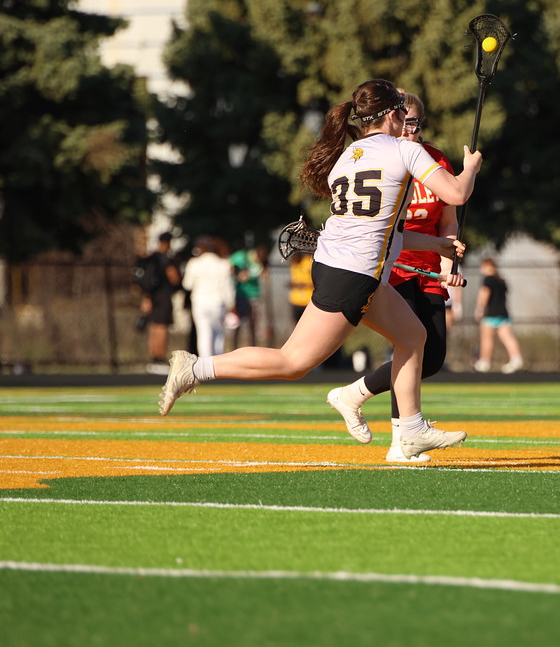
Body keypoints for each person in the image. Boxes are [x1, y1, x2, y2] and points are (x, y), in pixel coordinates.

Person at [158, 79, 483, 461]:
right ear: (393, 114)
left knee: (413, 336)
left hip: (343, 267)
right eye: (402, 113)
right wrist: (470, 169)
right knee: (293, 362)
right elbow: (457, 193)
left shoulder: (348, 157)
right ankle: (196, 368)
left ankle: (410, 432)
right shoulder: (404, 150)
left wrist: (433, 244)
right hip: (354, 275)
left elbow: (382, 229)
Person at [323, 90, 467, 463]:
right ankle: (401, 442)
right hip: (392, 266)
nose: (408, 130)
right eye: (404, 121)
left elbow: (448, 220)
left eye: (414, 122)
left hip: (428, 267)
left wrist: (448, 266)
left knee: (431, 358)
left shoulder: (434, 159)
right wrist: (472, 172)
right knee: (408, 344)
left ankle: (354, 393)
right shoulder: (389, 156)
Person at [181, 236, 235, 357]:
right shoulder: (223, 264)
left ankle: (205, 362)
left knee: (203, 333)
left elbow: (187, 284)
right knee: (218, 332)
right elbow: (228, 286)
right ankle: (217, 359)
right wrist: (231, 303)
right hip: (218, 302)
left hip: (199, 301)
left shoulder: (194, 263)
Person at [137, 232, 181, 374]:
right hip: (163, 296)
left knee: (154, 326)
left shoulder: (151, 258)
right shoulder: (166, 259)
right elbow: (174, 278)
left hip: (151, 296)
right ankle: (160, 359)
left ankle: (153, 358)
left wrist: (146, 297)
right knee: (162, 327)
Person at [474, 257, 524, 374]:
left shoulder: (488, 280)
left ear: (488, 266)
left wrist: (480, 309)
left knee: (487, 338)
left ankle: (485, 362)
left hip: (490, 314)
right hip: (503, 314)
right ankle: (516, 359)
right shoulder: (502, 281)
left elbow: (484, 294)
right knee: (508, 338)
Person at [229, 246, 266, 349]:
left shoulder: (258, 266)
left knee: (253, 324)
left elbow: (256, 274)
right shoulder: (241, 256)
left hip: (254, 296)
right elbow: (229, 264)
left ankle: (253, 347)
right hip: (241, 296)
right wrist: (237, 273)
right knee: (237, 324)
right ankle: (234, 347)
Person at [287, 253, 314, 323]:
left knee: (309, 323)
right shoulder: (294, 265)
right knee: (297, 324)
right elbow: (294, 280)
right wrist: (292, 284)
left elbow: (317, 282)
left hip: (308, 301)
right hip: (295, 301)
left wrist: (304, 285)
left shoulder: (308, 262)